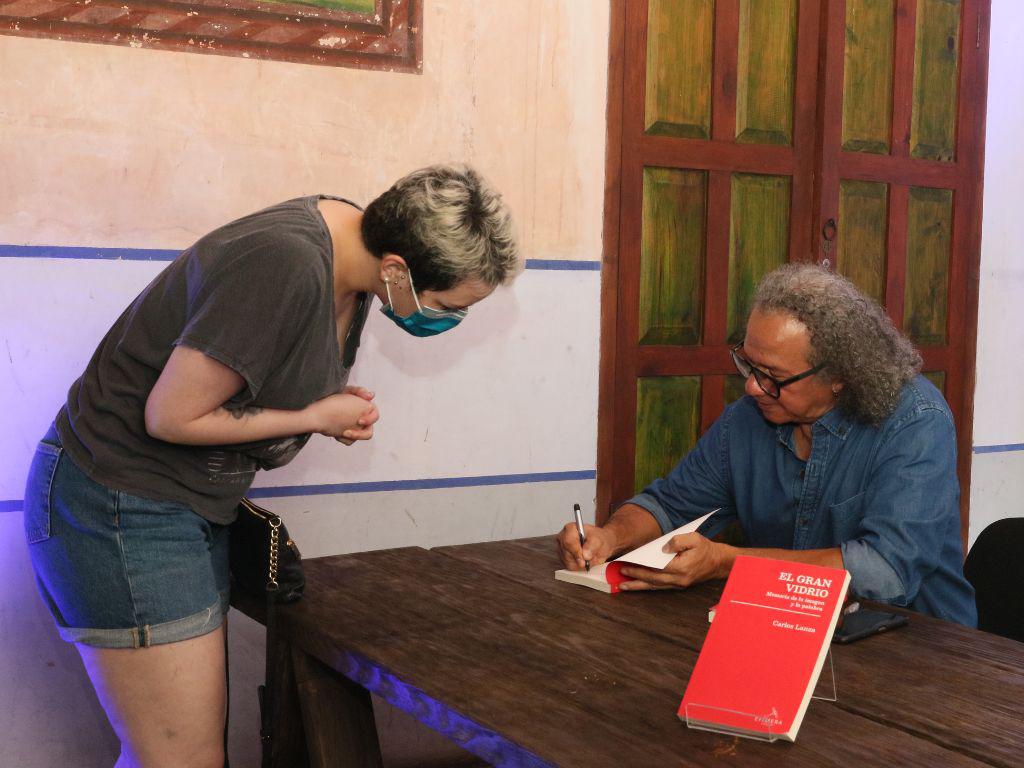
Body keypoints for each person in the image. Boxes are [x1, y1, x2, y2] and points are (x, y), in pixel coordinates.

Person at [24, 163, 519, 768]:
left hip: (180, 507)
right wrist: (314, 416)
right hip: (120, 504)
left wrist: (322, 412)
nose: (445, 320)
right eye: (446, 305)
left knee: (176, 755)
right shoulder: (284, 261)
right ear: (396, 269)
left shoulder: (350, 251)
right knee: (181, 760)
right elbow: (171, 417)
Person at [558, 263, 976, 627]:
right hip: (787, 629)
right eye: (748, 364)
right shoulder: (749, 419)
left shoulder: (914, 422)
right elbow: (671, 505)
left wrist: (726, 562)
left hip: (919, 651)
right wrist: (611, 537)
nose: (753, 386)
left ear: (840, 375)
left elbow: (887, 574)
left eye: (772, 375)